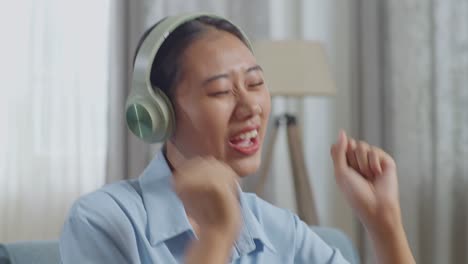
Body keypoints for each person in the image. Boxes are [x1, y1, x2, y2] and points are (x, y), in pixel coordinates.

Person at [60, 13, 415, 264]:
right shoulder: (102, 221)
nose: (250, 107)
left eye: (256, 83)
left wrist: (384, 223)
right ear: (159, 113)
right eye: (220, 91)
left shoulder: (279, 229)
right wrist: (216, 237)